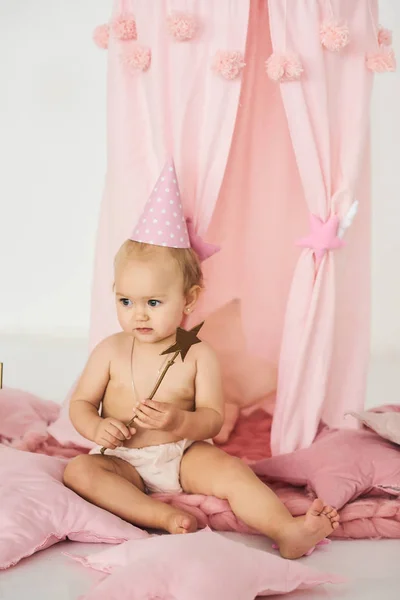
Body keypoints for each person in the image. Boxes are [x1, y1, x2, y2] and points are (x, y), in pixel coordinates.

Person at [64, 159, 339, 559]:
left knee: (232, 470)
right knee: (79, 472)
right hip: (122, 458)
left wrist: (179, 422)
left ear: (188, 300)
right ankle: (157, 515)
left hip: (182, 455)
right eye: (126, 301)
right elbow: (81, 403)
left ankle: (287, 530)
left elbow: (212, 417)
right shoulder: (110, 350)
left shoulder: (198, 355)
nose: (138, 314)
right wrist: (97, 426)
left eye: (153, 302)